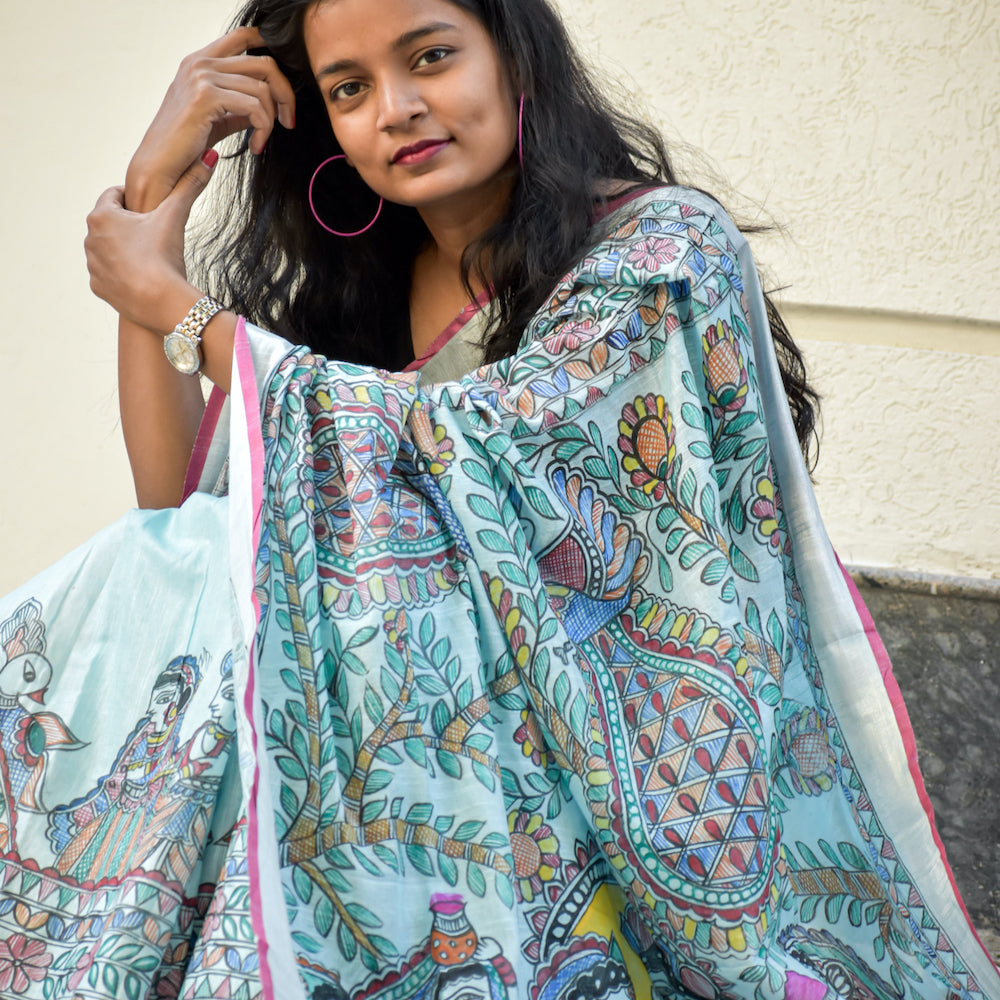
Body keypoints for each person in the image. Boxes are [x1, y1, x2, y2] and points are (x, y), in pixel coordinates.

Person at [0, 1, 995, 999]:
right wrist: (153, 196)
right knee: (179, 554)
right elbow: (172, 505)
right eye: (348, 89)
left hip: (600, 763)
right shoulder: (364, 290)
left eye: (429, 56)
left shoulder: (661, 248)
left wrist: (184, 312)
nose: (395, 109)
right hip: (398, 730)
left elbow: (501, 451)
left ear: (514, 57)